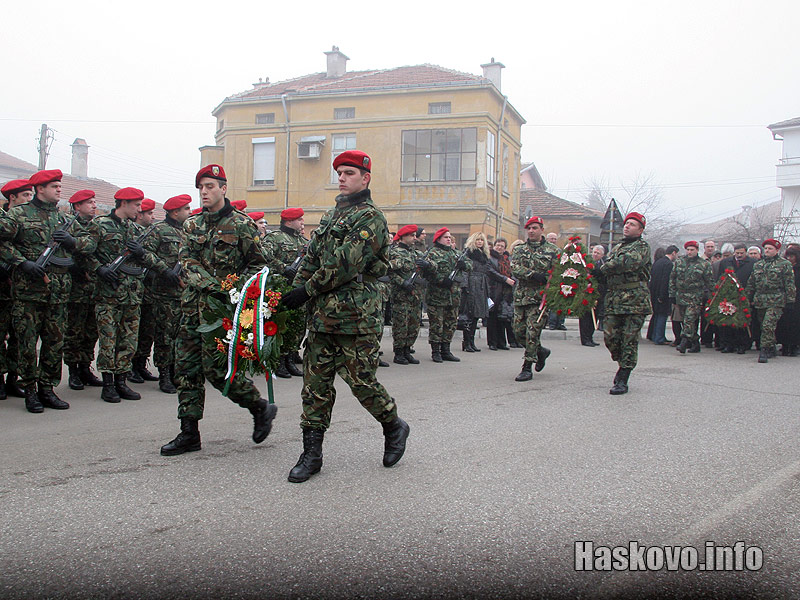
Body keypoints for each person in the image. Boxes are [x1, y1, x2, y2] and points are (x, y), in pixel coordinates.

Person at [279, 150, 409, 483]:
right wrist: (291, 294)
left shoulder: (371, 218)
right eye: (339, 172)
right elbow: (310, 259)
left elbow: (344, 265)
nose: (342, 178)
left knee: (361, 382)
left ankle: (394, 425)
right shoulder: (330, 217)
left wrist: (305, 291)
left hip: (356, 315)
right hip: (322, 316)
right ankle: (312, 454)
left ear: (365, 178)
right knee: (315, 387)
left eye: (349, 173)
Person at [159, 165, 276, 455]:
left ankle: (258, 407)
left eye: (210, 186)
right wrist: (215, 285)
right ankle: (189, 433)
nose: (204, 192)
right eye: (201, 187)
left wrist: (236, 290)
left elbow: (258, 264)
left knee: (217, 370)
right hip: (192, 308)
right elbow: (187, 260)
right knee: (186, 369)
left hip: (222, 313)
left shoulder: (242, 224)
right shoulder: (192, 226)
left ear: (223, 189)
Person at [0, 169, 87, 412]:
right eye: (54, 186)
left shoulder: (63, 219)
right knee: (27, 343)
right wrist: (21, 262)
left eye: (60, 186)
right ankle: (29, 390)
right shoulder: (19, 214)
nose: (59, 190)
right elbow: (2, 241)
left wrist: (72, 242)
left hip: (59, 293)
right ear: (40, 189)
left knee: (54, 342)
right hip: (28, 292)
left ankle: (47, 389)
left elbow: (89, 244)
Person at [82, 188, 164, 402]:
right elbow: (84, 253)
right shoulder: (99, 225)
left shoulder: (136, 230)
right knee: (109, 340)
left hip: (133, 295)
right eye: (136, 205)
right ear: (124, 203)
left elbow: (150, 259)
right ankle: (108, 384)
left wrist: (141, 253)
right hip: (108, 294)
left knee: (128, 340)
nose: (139, 209)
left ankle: (122, 381)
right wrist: (99, 268)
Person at [600, 212, 652, 395]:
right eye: (626, 223)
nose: (627, 226)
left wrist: (604, 266)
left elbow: (628, 262)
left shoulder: (642, 247)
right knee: (610, 337)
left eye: (632, 224)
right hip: (615, 299)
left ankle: (623, 376)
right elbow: (611, 264)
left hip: (635, 300)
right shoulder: (619, 246)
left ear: (640, 229)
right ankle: (622, 361)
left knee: (629, 339)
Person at [143, 194, 190, 393]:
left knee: (181, 336)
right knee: (164, 337)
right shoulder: (159, 230)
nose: (189, 212)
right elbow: (145, 253)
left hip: (183, 292)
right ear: (174, 212)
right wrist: (164, 270)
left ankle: (176, 372)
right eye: (186, 209)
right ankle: (164, 376)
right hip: (163, 293)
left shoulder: (188, 232)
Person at [63, 190, 103, 391]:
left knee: (91, 331)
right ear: (77, 206)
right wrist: (75, 269)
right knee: (74, 331)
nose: (94, 205)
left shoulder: (97, 225)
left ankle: (86, 367)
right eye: (89, 203)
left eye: (94, 202)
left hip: (94, 288)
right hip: (76, 288)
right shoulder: (68, 224)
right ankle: (73, 371)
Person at [510, 216, 558, 382]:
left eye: (535, 228)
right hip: (522, 296)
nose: (531, 231)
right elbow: (514, 267)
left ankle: (527, 367)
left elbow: (557, 273)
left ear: (541, 230)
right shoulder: (519, 249)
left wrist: (549, 282)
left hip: (540, 298)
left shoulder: (552, 250)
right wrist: (532, 274)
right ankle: (541, 352)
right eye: (529, 228)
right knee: (518, 332)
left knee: (532, 332)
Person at [261, 207, 307, 378]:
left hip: (297, 289)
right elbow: (264, 256)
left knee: (297, 326)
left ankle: (290, 359)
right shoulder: (274, 238)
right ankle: (278, 362)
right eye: (299, 219)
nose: (302, 222)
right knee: (281, 325)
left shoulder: (302, 240)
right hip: (280, 287)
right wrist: (283, 268)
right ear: (289, 221)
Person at [0, 179, 33, 399]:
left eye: (31, 195)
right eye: (25, 196)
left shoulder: (28, 221)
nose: (29, 200)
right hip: (2, 287)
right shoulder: (3, 222)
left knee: (19, 338)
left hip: (22, 288)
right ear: (12, 198)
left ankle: (14, 378)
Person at [422, 227, 471, 363]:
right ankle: (436, 351)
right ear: (438, 239)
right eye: (445, 237)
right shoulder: (432, 253)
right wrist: (441, 280)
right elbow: (425, 273)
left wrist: (464, 265)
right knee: (437, 324)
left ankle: (446, 350)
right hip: (437, 294)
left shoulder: (456, 253)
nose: (449, 239)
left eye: (450, 237)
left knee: (450, 323)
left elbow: (470, 265)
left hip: (453, 295)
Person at [461, 232, 513, 352]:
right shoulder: (468, 253)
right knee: (469, 314)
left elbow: (488, 271)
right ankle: (467, 342)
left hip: (482, 284)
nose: (479, 242)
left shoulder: (484, 255)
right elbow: (463, 270)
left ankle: (471, 341)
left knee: (476, 315)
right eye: (477, 239)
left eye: (482, 240)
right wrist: (465, 286)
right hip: (471, 282)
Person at [746, 239, 796, 363]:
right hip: (761, 300)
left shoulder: (784, 264)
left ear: (777, 250)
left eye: (770, 249)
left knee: (768, 324)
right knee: (764, 325)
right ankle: (771, 345)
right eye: (766, 248)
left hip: (776, 299)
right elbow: (751, 283)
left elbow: (789, 284)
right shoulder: (758, 264)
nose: (767, 251)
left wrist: (790, 300)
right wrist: (747, 298)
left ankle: (764, 350)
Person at [129, 198, 160, 384]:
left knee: (148, 331)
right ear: (139, 214)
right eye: (149, 213)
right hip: (133, 289)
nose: (152, 217)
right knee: (135, 332)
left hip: (150, 290)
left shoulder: (149, 232)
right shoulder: (133, 232)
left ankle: (141, 365)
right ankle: (131, 367)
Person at [388, 224, 424, 365]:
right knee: (401, 324)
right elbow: (389, 272)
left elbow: (430, 268)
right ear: (404, 236)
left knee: (413, 325)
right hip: (401, 295)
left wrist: (427, 265)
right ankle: (399, 353)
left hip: (415, 295)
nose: (415, 238)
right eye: (412, 235)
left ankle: (407, 350)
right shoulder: (394, 252)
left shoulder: (416, 253)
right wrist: (402, 282)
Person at [669, 241, 713, 354]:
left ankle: (684, 342)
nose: (689, 252)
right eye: (688, 250)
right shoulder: (679, 262)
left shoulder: (704, 264)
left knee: (689, 319)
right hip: (681, 296)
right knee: (687, 321)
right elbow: (672, 279)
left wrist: (713, 296)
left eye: (692, 250)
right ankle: (695, 342)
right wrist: (672, 295)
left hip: (695, 297)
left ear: (697, 250)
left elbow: (709, 281)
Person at [717, 243, 754, 353]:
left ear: (745, 252)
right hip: (728, 296)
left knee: (741, 321)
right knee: (728, 321)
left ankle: (742, 344)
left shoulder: (753, 263)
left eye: (741, 253)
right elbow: (720, 278)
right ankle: (728, 344)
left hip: (744, 295)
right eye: (737, 253)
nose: (739, 255)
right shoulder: (725, 262)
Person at [487, 238, 514, 350]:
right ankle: (492, 342)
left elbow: (512, 271)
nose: (499, 248)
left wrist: (511, 279)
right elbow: (491, 272)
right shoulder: (489, 258)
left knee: (502, 317)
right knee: (492, 317)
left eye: (502, 246)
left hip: (505, 291)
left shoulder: (507, 259)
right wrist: (505, 279)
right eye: (497, 245)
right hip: (494, 289)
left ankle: (502, 342)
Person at [648, 245, 678, 345]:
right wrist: (663, 295)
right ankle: (659, 337)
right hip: (662, 294)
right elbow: (665, 281)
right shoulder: (668, 264)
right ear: (673, 253)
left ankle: (655, 335)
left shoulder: (657, 263)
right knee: (662, 316)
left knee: (656, 315)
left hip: (654, 292)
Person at [578, 243, 608, 346]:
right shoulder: (587, 263)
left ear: (602, 255)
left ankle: (590, 337)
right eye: (594, 252)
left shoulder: (604, 264)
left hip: (599, 293)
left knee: (595, 316)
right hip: (587, 293)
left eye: (598, 253)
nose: (595, 254)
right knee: (586, 317)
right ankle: (585, 338)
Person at [776, 247, 800, 356]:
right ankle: (784, 345)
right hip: (784, 299)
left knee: (795, 324)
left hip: (797, 300)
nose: (790, 258)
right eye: (788, 256)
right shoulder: (783, 267)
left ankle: (794, 345)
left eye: (792, 256)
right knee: (784, 323)